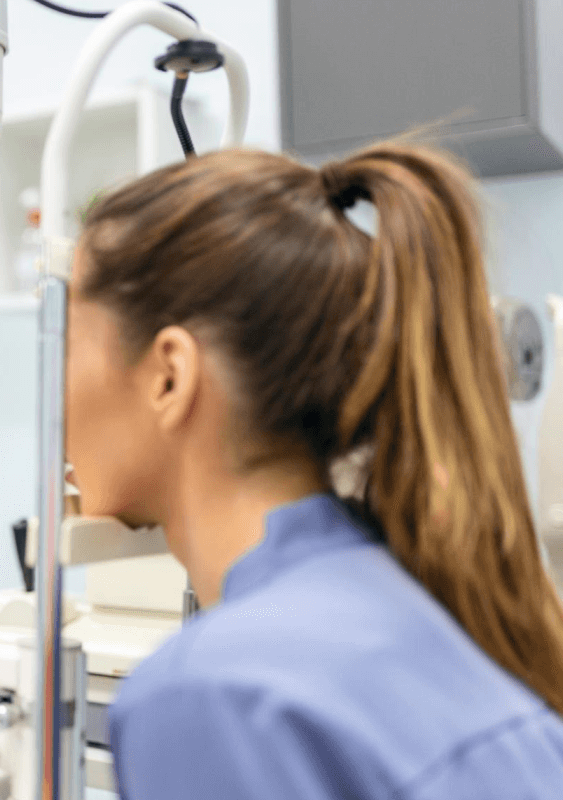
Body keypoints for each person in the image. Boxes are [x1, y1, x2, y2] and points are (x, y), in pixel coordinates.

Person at [65, 141, 563, 798]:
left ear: (169, 377)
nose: (54, 392)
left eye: (67, 341)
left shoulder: (214, 697)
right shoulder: (435, 611)